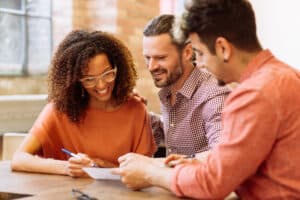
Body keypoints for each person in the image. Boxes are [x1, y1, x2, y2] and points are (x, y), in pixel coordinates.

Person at [112, 0, 300, 199]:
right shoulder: (286, 76)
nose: (199, 64)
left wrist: (150, 173)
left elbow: (212, 183)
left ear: (222, 48)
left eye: (200, 53)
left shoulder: (254, 94)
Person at [11, 30, 156, 177]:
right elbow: (19, 159)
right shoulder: (60, 109)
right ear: (76, 79)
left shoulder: (136, 110)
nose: (100, 85)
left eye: (107, 74)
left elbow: (145, 172)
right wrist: (67, 167)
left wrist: (100, 166)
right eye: (89, 79)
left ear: (117, 68)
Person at [144, 14, 230, 157]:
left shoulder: (214, 94)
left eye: (160, 57)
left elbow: (222, 156)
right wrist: (137, 111)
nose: (151, 67)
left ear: (188, 52)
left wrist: (157, 169)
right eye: (147, 57)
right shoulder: (168, 90)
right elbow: (175, 131)